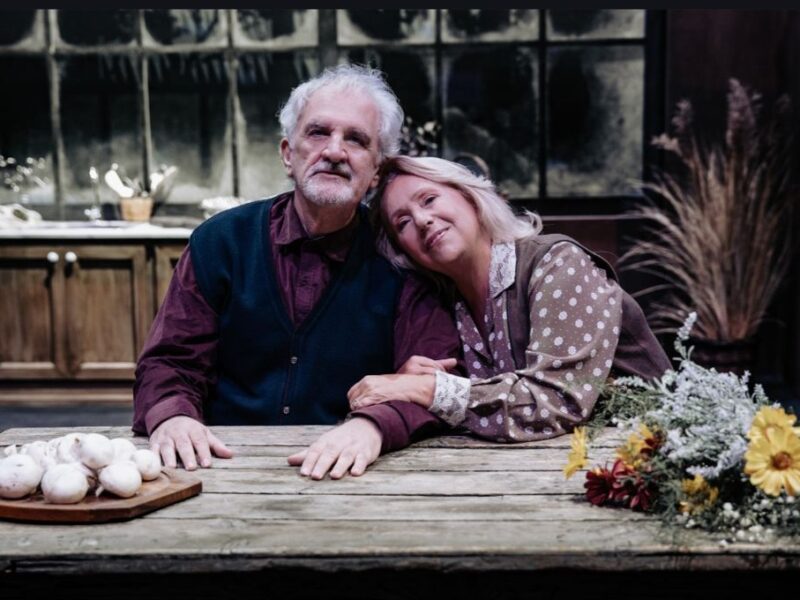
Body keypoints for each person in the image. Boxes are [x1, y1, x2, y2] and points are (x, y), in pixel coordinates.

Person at [133, 65, 461, 479]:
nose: (335, 152)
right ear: (289, 154)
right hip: (221, 463)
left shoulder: (401, 256)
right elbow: (169, 361)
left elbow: (436, 379)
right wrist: (172, 416)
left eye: (356, 139)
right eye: (318, 133)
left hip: (354, 469)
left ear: (376, 172)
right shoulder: (220, 241)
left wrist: (374, 425)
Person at [348, 156, 671, 441]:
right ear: (403, 251)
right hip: (543, 470)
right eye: (403, 222)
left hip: (653, 456)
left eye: (429, 199)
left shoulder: (557, 264)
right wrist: (414, 379)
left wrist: (426, 389)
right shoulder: (446, 306)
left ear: (470, 196)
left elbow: (556, 403)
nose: (421, 220)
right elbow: (468, 404)